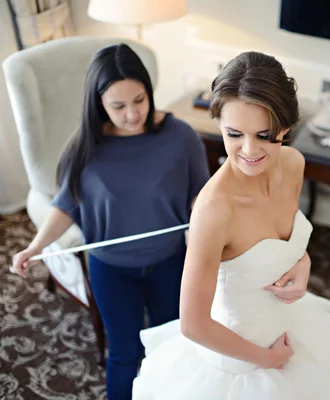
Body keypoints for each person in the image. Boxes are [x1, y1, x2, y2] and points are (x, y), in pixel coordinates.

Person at [131, 51, 330, 399]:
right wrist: (267, 359)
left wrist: (303, 262)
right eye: (234, 134)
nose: (249, 150)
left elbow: (282, 240)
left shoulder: (294, 164)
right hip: (236, 365)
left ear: (285, 126)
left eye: (265, 135)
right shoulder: (214, 211)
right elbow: (193, 325)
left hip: (285, 327)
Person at [10, 44, 212, 400]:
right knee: (124, 354)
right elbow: (65, 205)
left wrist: (204, 223)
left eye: (140, 100)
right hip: (112, 271)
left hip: (170, 262)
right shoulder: (84, 147)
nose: (133, 114)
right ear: (98, 103)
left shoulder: (180, 137)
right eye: (118, 106)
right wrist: (35, 246)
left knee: (172, 347)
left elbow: (200, 194)